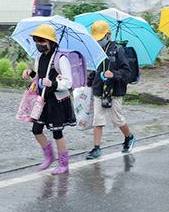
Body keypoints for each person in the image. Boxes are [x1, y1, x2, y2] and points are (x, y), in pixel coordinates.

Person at [21, 24, 75, 174]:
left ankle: (64, 164)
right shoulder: (40, 57)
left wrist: (53, 83)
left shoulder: (61, 59)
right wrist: (31, 73)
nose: (39, 44)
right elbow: (39, 77)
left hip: (56, 101)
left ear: (51, 42)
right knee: (36, 129)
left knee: (57, 132)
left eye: (42, 41)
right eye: (37, 40)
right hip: (42, 99)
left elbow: (68, 82)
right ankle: (49, 157)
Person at [85, 20, 136, 159]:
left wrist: (114, 74)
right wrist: (89, 82)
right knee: (98, 119)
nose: (98, 41)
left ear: (108, 35)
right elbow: (95, 69)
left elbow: (127, 72)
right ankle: (96, 148)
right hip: (98, 89)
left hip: (115, 91)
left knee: (117, 119)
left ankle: (129, 137)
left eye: (100, 38)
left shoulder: (118, 50)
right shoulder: (96, 50)